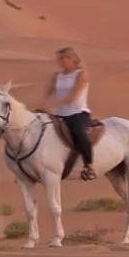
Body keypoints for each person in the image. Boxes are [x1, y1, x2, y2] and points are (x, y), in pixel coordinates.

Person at [45, 47, 96, 180]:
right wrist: (40, 105)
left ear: (73, 59)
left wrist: (54, 106)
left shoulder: (81, 74)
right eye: (60, 58)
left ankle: (89, 166)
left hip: (77, 112)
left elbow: (73, 95)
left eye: (65, 57)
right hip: (58, 113)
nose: (62, 61)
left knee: (79, 133)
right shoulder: (56, 76)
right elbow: (48, 93)